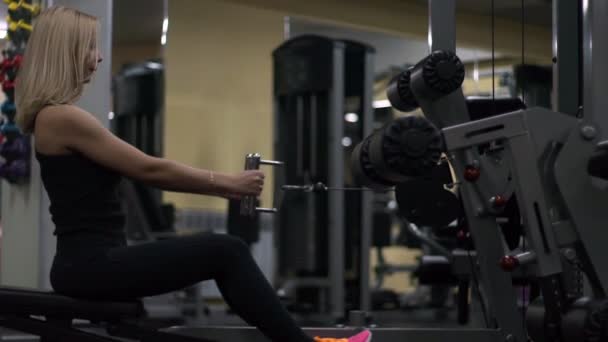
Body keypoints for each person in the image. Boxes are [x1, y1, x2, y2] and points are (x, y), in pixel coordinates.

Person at [14, 6, 371, 342]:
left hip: (92, 261)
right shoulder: (62, 117)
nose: (99, 57)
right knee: (227, 251)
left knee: (224, 251)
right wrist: (229, 184)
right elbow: (148, 168)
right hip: (90, 265)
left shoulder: (55, 118)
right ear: (67, 51)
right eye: (91, 47)